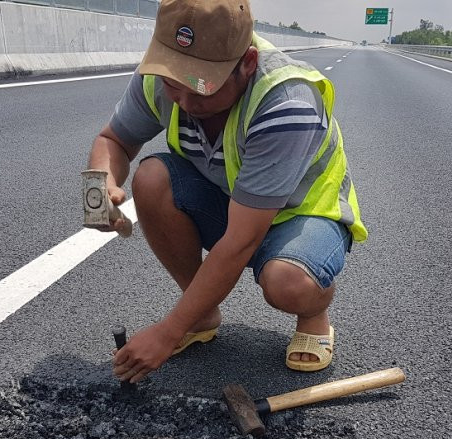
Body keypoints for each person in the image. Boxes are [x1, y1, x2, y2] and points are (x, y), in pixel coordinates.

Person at [87, 0, 367, 384]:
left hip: (301, 214)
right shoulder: (160, 75)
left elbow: (240, 242)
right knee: (152, 179)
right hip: (234, 202)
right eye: (174, 84)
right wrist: (99, 188)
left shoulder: (286, 103)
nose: (183, 101)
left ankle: (314, 313)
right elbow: (113, 140)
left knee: (287, 282)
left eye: (201, 90)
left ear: (247, 63)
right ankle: (199, 314)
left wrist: (166, 334)